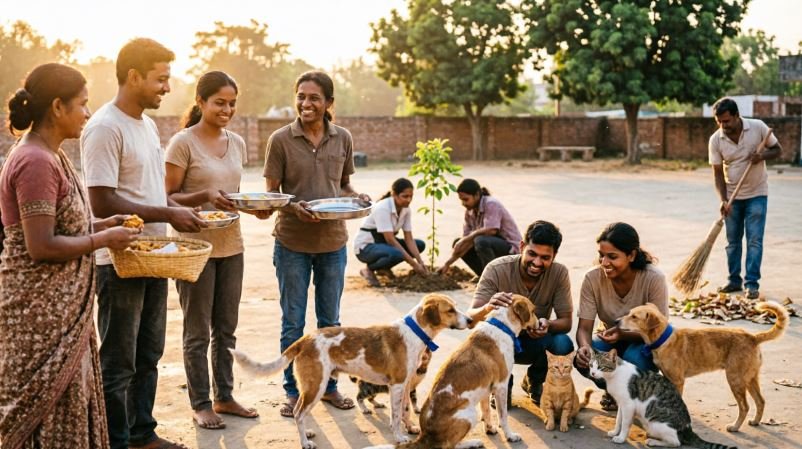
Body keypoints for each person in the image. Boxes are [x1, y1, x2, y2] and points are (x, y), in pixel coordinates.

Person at [0, 63, 139, 448]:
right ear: (58, 107)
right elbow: (41, 245)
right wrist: (105, 238)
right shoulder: (35, 161)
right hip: (39, 318)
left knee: (71, 401)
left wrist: (107, 224)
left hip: (60, 317)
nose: (88, 113)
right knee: (44, 412)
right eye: (82, 104)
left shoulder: (52, 155)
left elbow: (67, 230)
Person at [81, 38, 205, 449]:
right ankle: (115, 441)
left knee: (149, 353)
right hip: (119, 260)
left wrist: (179, 209)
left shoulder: (148, 125)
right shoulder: (104, 127)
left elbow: (151, 194)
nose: (167, 88)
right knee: (119, 362)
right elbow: (101, 200)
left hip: (155, 256)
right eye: (160, 79)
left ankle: (141, 433)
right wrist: (169, 214)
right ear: (132, 76)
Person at [263, 71, 370, 417]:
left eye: (314, 98)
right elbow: (271, 194)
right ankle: (293, 391)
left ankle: (329, 387)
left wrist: (357, 197)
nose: (306, 104)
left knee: (330, 322)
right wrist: (293, 206)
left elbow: (343, 186)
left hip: (333, 243)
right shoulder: (280, 139)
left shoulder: (343, 138)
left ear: (328, 103)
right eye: (301, 97)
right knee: (292, 322)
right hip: (292, 242)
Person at [164, 71, 259, 430]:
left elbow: (230, 197)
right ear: (201, 101)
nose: (227, 109)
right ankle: (201, 403)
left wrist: (255, 208)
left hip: (232, 245)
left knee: (226, 328)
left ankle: (225, 395)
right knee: (197, 331)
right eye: (220, 102)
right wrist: (203, 197)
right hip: (194, 248)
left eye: (232, 103)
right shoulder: (182, 143)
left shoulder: (236, 143)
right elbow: (167, 198)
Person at [466, 220, 573, 407]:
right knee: (480, 339)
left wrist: (547, 324)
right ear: (521, 246)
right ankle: (501, 382)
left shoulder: (559, 273)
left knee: (562, 343)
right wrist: (487, 307)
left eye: (545, 257)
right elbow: (470, 320)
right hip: (499, 345)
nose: (537, 263)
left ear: (554, 255)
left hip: (533, 342)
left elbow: (566, 322)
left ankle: (535, 380)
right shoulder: (496, 269)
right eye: (532, 254)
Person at [574, 222, 669, 411]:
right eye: (601, 255)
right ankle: (614, 392)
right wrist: (585, 348)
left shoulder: (653, 278)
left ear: (631, 255)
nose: (604, 263)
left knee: (634, 360)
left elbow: (660, 331)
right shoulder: (592, 279)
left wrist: (622, 334)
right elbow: (584, 328)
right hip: (611, 340)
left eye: (612, 257)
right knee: (586, 359)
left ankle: (638, 395)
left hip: (644, 342)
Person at [709, 97, 781, 299]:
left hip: (757, 193)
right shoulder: (716, 140)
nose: (723, 126)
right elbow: (717, 173)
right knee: (732, 242)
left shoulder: (758, 128)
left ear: (736, 116)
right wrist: (723, 199)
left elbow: (778, 150)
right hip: (732, 196)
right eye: (719, 122)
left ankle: (751, 283)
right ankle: (733, 280)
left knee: (755, 240)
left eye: (726, 121)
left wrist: (762, 156)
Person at [438, 178, 521, 277]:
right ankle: (485, 277)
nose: (463, 203)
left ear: (477, 194)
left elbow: (492, 230)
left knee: (480, 241)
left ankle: (494, 279)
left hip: (511, 251)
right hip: (492, 247)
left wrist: (470, 237)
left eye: (466, 199)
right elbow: (466, 244)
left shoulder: (491, 203)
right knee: (460, 242)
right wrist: (447, 264)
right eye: (461, 200)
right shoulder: (469, 212)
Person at [354, 177, 428, 286]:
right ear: (394, 194)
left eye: (411, 196)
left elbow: (409, 238)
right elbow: (390, 240)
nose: (408, 200)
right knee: (397, 253)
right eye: (405, 196)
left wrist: (420, 262)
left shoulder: (406, 209)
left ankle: (383, 268)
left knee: (420, 245)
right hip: (366, 248)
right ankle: (368, 270)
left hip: (383, 245)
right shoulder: (383, 208)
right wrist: (414, 265)